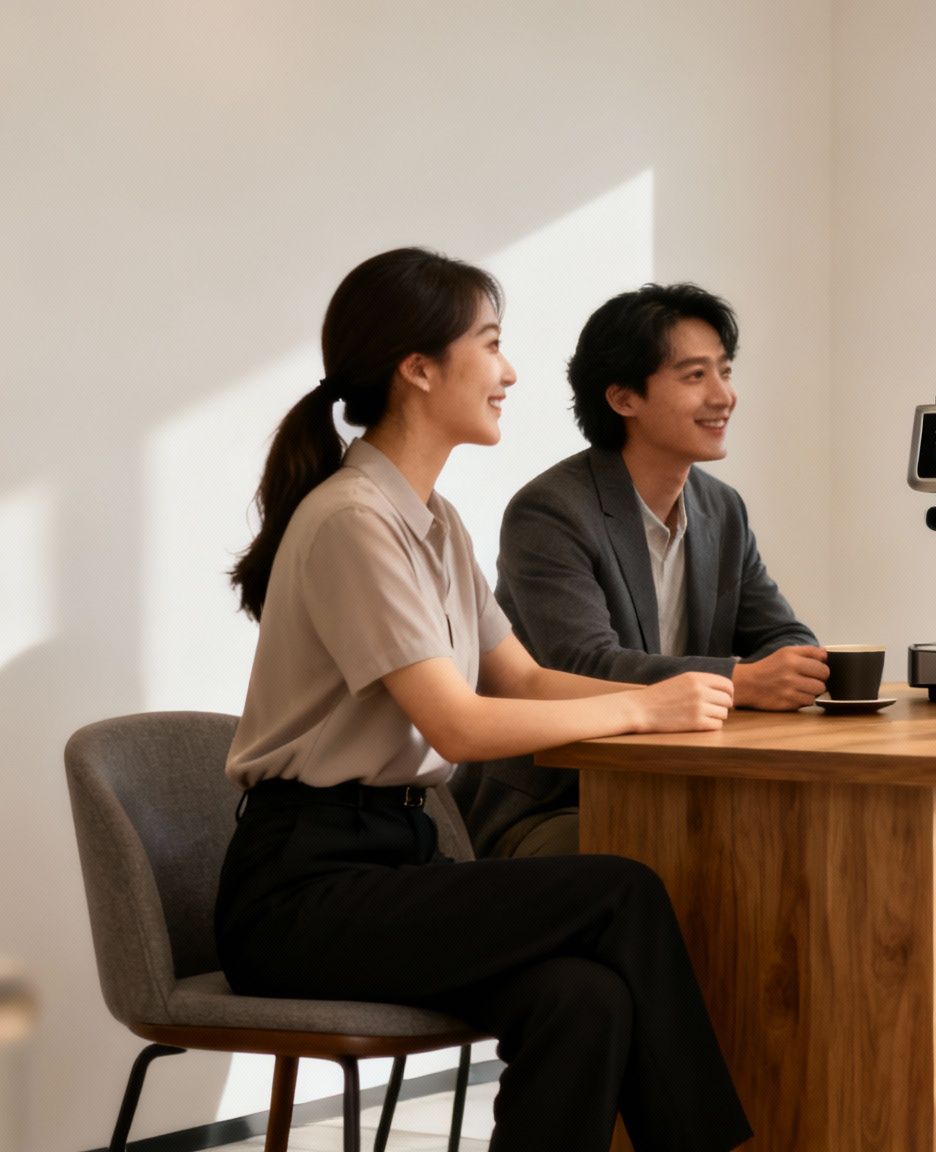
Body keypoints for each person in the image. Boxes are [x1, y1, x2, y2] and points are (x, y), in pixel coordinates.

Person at [215, 248, 753, 1152]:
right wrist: (644, 707)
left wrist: (686, 694)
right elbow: (460, 723)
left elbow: (528, 680)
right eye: (492, 346)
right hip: (305, 893)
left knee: (583, 998)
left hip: (396, 864)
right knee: (621, 890)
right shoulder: (353, 520)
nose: (509, 373)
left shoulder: (435, 521)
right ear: (418, 368)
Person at [461, 282, 825, 859]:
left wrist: (795, 669)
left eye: (725, 372)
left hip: (683, 782)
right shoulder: (551, 511)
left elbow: (782, 636)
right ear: (624, 398)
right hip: (561, 801)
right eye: (695, 376)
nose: (723, 396)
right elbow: (583, 663)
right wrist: (743, 681)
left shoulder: (720, 508)